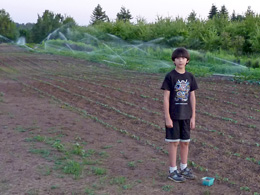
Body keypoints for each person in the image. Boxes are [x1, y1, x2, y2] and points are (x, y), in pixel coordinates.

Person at [161, 47, 198, 182]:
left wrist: (193, 116)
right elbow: (166, 97)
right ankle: (172, 170)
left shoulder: (190, 77)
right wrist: (167, 117)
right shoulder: (170, 76)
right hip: (174, 115)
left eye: (183, 58)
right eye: (178, 58)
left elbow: (192, 97)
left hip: (186, 116)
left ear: (187, 61)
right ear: (174, 60)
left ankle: (183, 168)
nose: (180, 60)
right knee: (174, 142)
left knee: (185, 143)